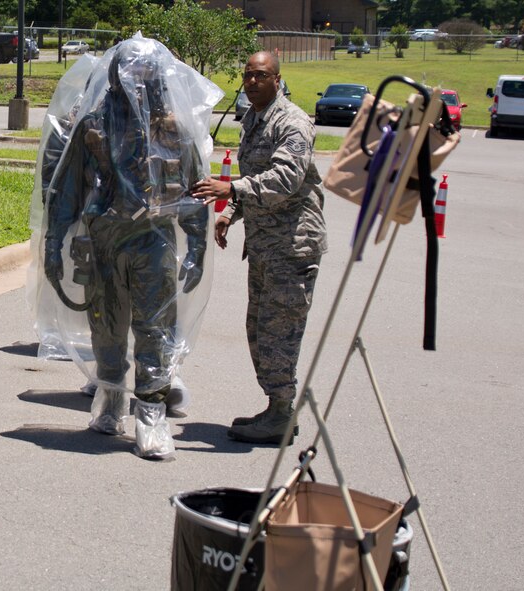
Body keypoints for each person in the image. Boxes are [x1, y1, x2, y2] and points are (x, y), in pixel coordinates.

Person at [40, 35, 222, 460]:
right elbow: (66, 189)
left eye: (145, 72)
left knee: (154, 329)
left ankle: (152, 415)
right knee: (107, 327)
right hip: (103, 243)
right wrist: (53, 243)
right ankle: (111, 399)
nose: (137, 80)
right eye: (130, 71)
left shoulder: (173, 129)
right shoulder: (94, 125)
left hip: (153, 242)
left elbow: (195, 191)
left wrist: (196, 244)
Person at [193, 50, 327, 445]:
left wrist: (230, 189)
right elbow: (255, 174)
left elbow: (285, 178)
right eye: (248, 75)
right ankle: (276, 407)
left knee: (280, 333)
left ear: (278, 79)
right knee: (259, 329)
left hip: (293, 246)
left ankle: (282, 415)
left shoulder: (293, 123)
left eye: (261, 76)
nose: (252, 82)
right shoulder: (253, 118)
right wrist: (229, 213)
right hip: (266, 244)